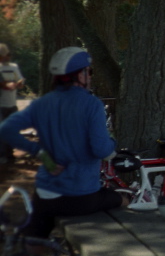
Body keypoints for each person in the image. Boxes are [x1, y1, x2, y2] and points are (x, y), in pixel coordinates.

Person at [0, 47, 128, 239]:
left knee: (34, 240)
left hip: (44, 194)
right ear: (80, 75)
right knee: (124, 199)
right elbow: (101, 149)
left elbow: (6, 129)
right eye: (89, 71)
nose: (90, 76)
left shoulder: (42, 103)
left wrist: (39, 151)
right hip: (80, 196)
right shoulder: (91, 104)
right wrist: (112, 145)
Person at [0, 43, 25, 163]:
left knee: (12, 129)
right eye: (5, 55)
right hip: (1, 104)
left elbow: (19, 80)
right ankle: (2, 155)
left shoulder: (14, 67)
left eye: (8, 55)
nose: (7, 57)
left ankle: (9, 154)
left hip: (12, 103)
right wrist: (7, 85)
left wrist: (19, 84)